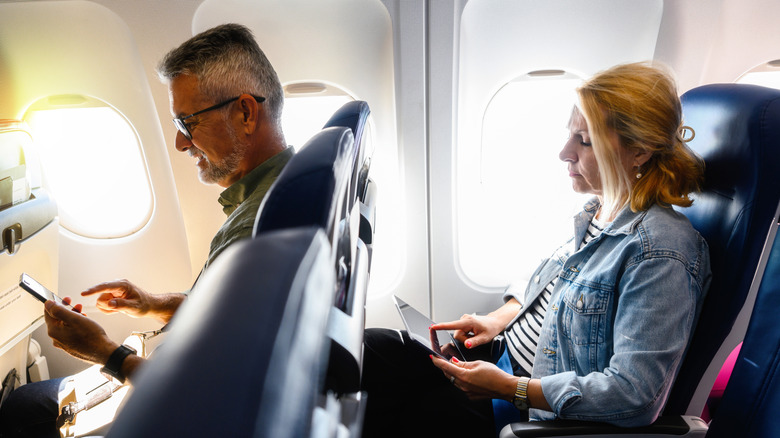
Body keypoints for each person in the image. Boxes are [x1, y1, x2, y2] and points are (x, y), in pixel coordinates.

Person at [360, 62, 712, 437]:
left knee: (392, 410)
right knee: (373, 351)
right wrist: (499, 319)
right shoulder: (599, 210)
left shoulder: (660, 254)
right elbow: (553, 286)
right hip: (501, 366)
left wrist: (509, 388)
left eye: (584, 140)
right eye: (569, 136)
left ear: (639, 151)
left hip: (529, 414)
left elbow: (634, 395)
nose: (564, 152)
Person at [0, 23, 292, 438]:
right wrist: (153, 303)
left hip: (182, 400)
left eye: (188, 121)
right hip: (181, 370)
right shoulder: (283, 191)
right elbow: (226, 316)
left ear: (246, 112)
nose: (179, 141)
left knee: (20, 412)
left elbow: (203, 398)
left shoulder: (258, 231)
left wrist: (105, 351)